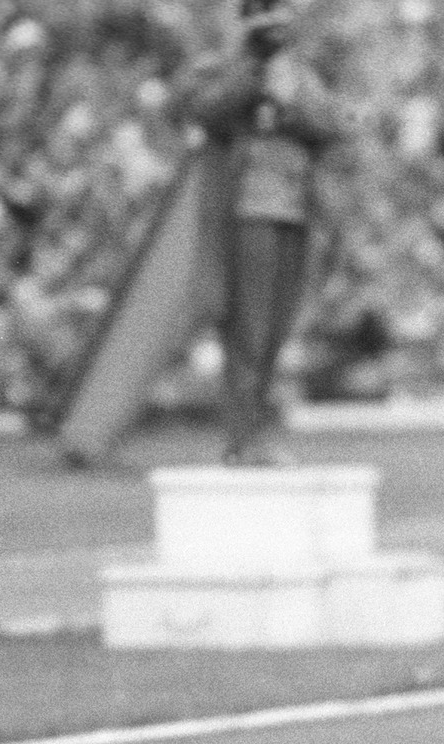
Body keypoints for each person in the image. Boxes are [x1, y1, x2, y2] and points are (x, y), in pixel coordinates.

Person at [176, 0, 347, 465]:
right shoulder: (222, 66)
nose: (272, 25)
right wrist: (251, 69)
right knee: (246, 329)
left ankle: (260, 430)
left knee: (276, 328)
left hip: (295, 210)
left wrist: (289, 103)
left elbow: (332, 125)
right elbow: (205, 112)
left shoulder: (299, 72)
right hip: (246, 210)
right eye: (262, 15)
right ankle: (242, 437)